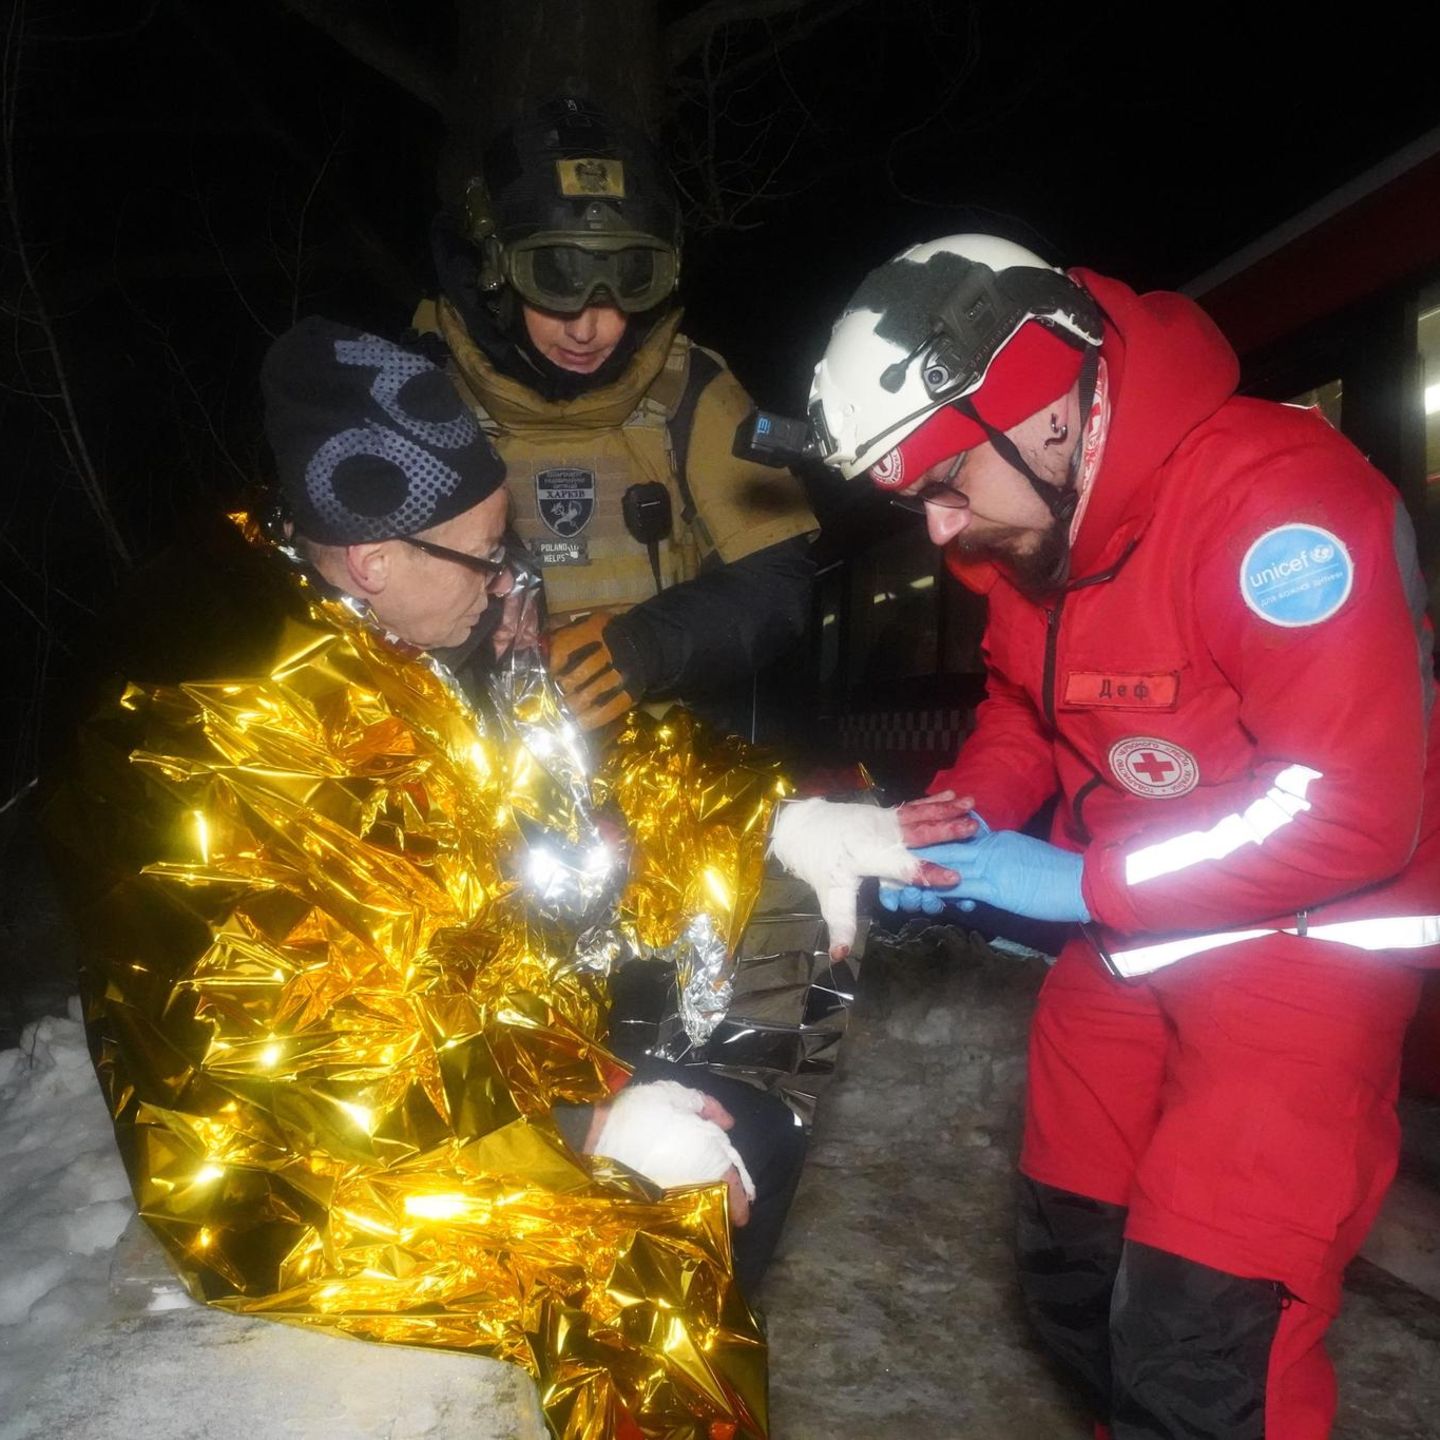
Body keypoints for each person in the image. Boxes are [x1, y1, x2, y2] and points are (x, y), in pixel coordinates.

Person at [47, 317, 968, 1438]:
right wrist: (589, 1128)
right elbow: (299, 1053)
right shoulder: (211, 724)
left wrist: (782, 814)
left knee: (755, 1121)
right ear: (374, 557)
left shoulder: (410, 613)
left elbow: (581, 770)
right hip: (300, 1160)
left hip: (481, 1059)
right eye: (487, 554)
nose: (507, 583)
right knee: (644, 1289)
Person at [808, 234, 1440, 1439]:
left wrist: (1082, 883)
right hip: (1138, 926)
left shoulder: (1279, 509)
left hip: (1309, 943)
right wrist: (972, 810)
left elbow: (1350, 810)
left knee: (1204, 1340)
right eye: (913, 499)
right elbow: (1024, 708)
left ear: (1046, 410)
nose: (939, 532)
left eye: (946, 482)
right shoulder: (1033, 534)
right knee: (1072, 1265)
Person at [415, 96, 818, 731]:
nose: (589, 328)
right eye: (555, 281)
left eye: (627, 283)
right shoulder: (419, 396)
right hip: (469, 758)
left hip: (663, 759)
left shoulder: (689, 390)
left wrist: (647, 646)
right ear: (496, 270)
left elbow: (778, 584)